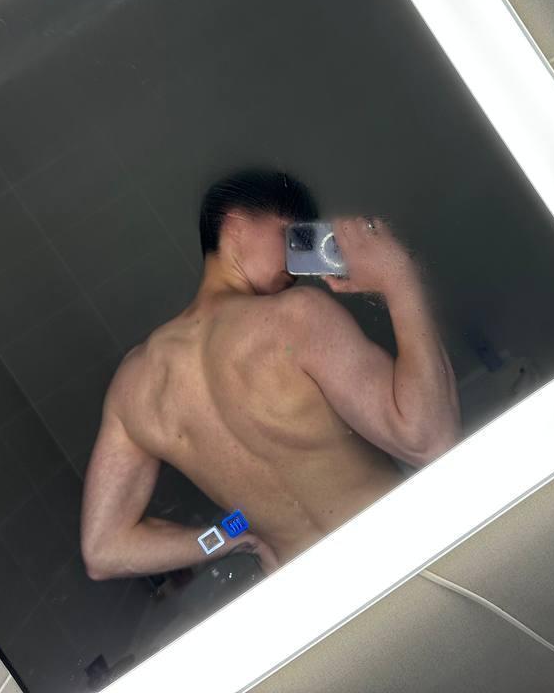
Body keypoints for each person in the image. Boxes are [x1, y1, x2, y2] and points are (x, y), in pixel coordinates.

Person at [80, 169, 461, 579]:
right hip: (409, 555)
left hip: (320, 595)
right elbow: (430, 440)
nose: (297, 262)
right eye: (291, 235)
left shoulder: (134, 385)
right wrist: (398, 275)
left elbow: (105, 550)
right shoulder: (297, 317)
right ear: (235, 223)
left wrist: (231, 537)